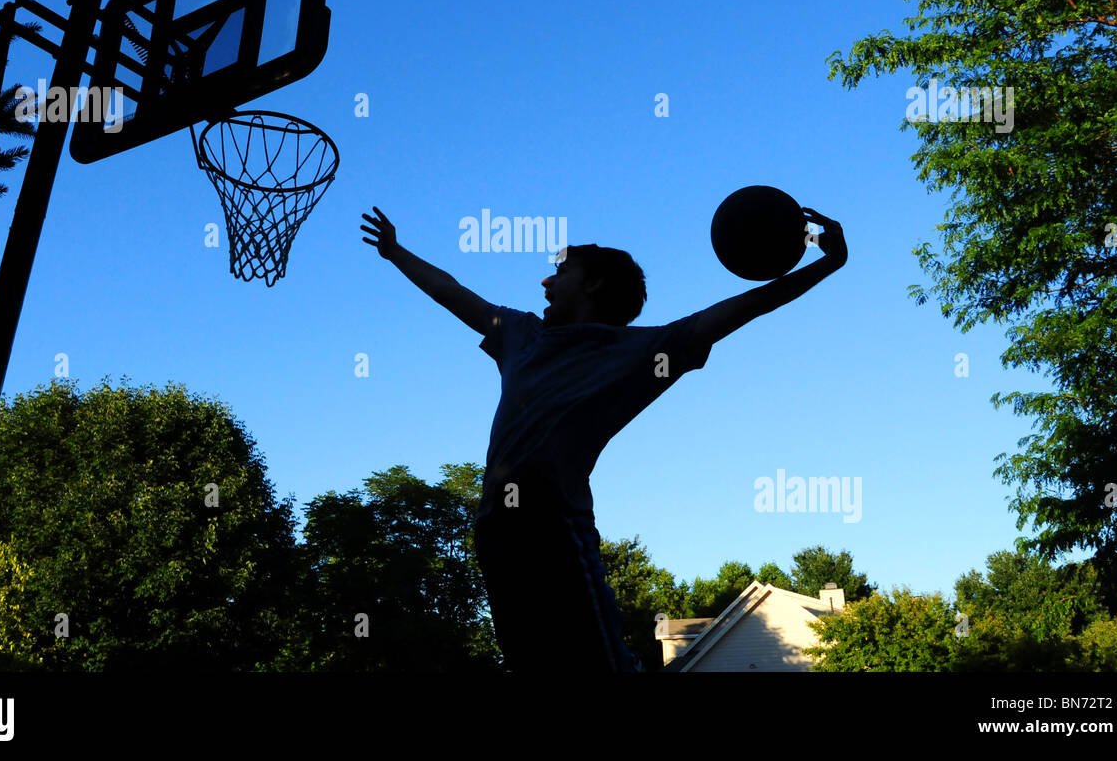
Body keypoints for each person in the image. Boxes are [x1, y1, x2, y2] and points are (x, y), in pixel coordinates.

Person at [361, 205, 847, 671]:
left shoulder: (642, 351)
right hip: (493, 535)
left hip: (554, 531)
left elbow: (746, 306)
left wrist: (828, 264)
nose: (546, 280)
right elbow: (451, 291)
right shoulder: (520, 334)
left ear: (592, 283)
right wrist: (396, 253)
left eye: (561, 271)